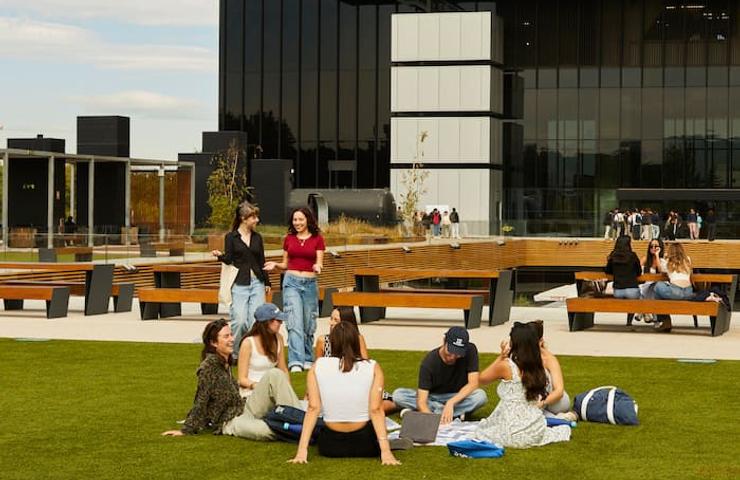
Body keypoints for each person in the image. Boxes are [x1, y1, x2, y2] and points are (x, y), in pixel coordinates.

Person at [162, 319, 301, 440]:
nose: (232, 339)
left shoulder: (225, 361)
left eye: (231, 335)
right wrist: (186, 429)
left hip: (244, 408)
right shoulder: (208, 367)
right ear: (214, 342)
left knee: (275, 374)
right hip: (229, 421)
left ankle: (303, 420)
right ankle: (300, 428)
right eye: (226, 336)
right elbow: (201, 399)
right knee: (266, 430)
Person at [289, 322, 400, 465]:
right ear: (355, 341)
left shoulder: (319, 365)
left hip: (330, 446)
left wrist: (301, 451)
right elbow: (376, 410)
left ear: (333, 343)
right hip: (366, 445)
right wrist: (386, 452)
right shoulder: (372, 366)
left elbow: (313, 408)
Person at [474, 322, 571, 448]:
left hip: (512, 431)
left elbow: (481, 379)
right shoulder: (539, 365)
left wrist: (500, 357)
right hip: (534, 428)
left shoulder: (506, 366)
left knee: (486, 428)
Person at [264, 207, 325, 373]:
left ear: (308, 220)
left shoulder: (318, 239)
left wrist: (317, 267)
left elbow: (319, 262)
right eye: (295, 220)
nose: (297, 223)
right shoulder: (289, 238)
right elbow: (285, 264)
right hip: (291, 283)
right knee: (294, 321)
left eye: (300, 219)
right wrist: (276, 265)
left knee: (308, 323)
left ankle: (307, 358)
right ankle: (295, 361)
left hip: (310, 283)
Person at [392, 327, 487, 424]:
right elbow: (422, 401)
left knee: (480, 396)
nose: (453, 357)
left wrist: (451, 403)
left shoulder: (471, 350)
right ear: (444, 342)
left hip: (458, 396)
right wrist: (432, 421)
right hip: (433, 397)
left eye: (458, 354)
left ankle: (438, 413)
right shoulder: (429, 362)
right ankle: (452, 415)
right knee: (398, 395)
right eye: (450, 352)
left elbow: (473, 383)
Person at [212, 201, 271, 357]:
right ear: (244, 219)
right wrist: (220, 257)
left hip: (257, 282)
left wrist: (267, 282)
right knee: (239, 321)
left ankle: (253, 353)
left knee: (255, 321)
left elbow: (261, 260)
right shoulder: (231, 237)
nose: (256, 220)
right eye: (253, 217)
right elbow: (229, 258)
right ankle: (236, 353)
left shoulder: (257, 237)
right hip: (239, 284)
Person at [314, 307, 396, 413]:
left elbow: (366, 368)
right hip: (332, 387)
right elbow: (317, 370)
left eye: (336, 320)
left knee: (380, 404)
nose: (331, 323)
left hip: (356, 385)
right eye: (331, 318)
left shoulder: (357, 339)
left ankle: (398, 405)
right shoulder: (323, 341)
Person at [237, 303, 290, 396]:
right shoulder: (248, 343)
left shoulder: (279, 339)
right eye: (278, 320)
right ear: (267, 322)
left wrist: (288, 390)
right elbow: (242, 379)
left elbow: (283, 370)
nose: (281, 323)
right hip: (251, 391)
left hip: (272, 390)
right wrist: (258, 386)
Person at [528, 320, 573, 418]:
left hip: (555, 402)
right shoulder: (519, 356)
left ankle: (563, 417)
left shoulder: (549, 359)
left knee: (535, 411)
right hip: (535, 400)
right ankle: (560, 418)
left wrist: (542, 403)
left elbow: (559, 390)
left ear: (540, 342)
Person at [654, 243, 693, 332]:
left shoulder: (668, 261)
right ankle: (664, 319)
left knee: (657, 286)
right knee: (662, 290)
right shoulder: (688, 260)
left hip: (675, 291)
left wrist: (657, 255)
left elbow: (660, 269)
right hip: (688, 292)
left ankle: (664, 319)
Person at [636, 238, 667, 323]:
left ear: (660, 247)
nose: (653, 248)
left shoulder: (663, 259)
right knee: (645, 288)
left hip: (659, 285)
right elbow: (636, 270)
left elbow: (661, 270)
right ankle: (650, 315)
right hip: (647, 284)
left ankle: (642, 312)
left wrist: (657, 255)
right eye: (651, 246)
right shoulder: (645, 258)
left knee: (650, 289)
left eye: (656, 246)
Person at [605, 235, 641, 300]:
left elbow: (607, 271)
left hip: (618, 290)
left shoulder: (613, 256)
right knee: (634, 308)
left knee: (620, 309)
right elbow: (639, 272)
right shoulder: (633, 255)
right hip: (632, 288)